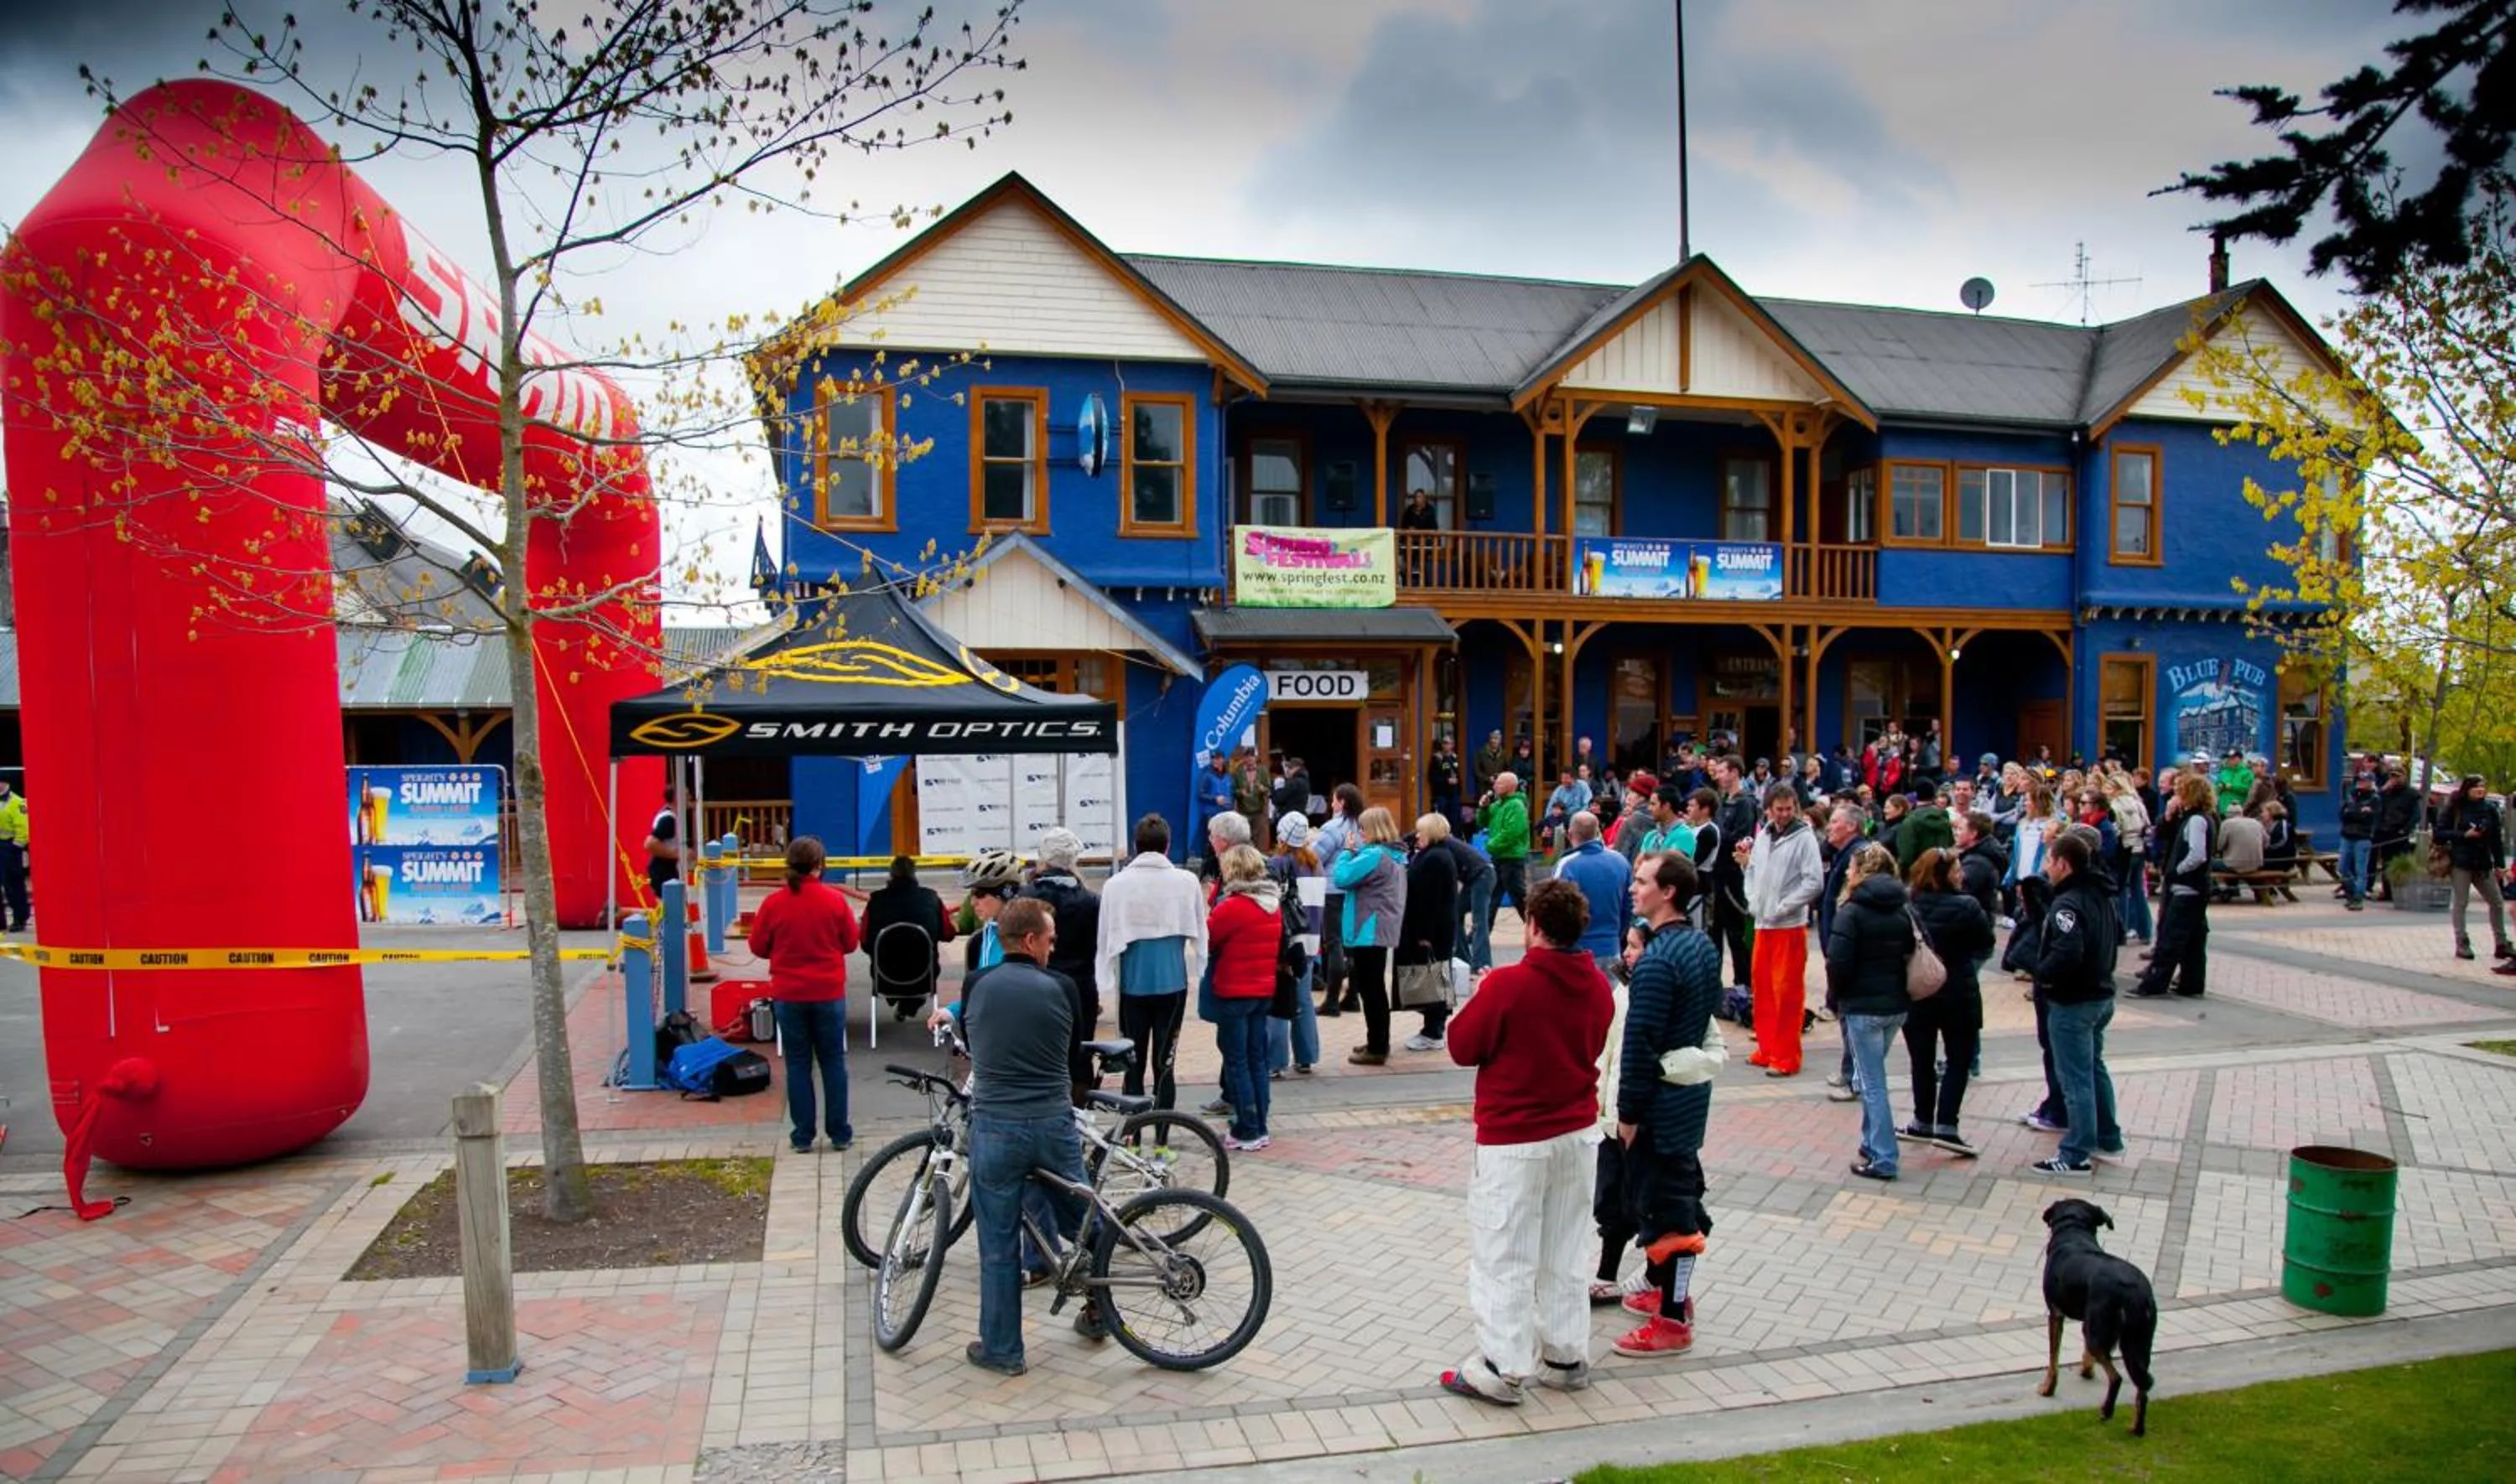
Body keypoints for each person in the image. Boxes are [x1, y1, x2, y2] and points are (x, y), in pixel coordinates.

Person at [1437, 878, 1617, 1405]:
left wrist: (1477, 997)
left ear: (1534, 925)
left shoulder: (1510, 985)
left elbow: (1462, 1045)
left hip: (1515, 1138)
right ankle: (1565, 1353)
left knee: (1504, 1254)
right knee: (1564, 1248)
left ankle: (1502, 1364)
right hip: (1577, 1133)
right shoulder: (1597, 986)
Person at [949, 897, 1100, 1377]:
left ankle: (1002, 1350)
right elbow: (1075, 1053)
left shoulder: (976, 984)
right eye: (1050, 940)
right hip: (1053, 1124)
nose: (1053, 949)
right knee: (1083, 1218)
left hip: (994, 1127)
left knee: (997, 1243)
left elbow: (972, 1046)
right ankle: (1101, 1307)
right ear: (1031, 940)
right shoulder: (1063, 987)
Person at [1611, 850, 1723, 1357]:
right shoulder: (1699, 946)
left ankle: (1673, 1318)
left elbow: (1640, 1046)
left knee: (1669, 1210)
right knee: (1674, 1195)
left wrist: (1629, 1114)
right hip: (1688, 1096)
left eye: (1642, 881)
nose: (1634, 888)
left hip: (1659, 1105)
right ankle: (1663, 1292)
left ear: (1669, 891)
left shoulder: (1658, 962)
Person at [747, 837, 862, 1154]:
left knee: (798, 1064)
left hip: (789, 993)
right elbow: (851, 943)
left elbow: (757, 946)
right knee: (833, 1062)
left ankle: (802, 1135)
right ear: (820, 865)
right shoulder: (835, 900)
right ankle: (839, 1132)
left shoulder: (773, 903)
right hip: (827, 992)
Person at [1094, 814, 1208, 1109]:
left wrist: (1103, 979)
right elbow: (1201, 930)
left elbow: (1104, 937)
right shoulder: (1186, 882)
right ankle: (1162, 1142)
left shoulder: (1116, 885)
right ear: (1168, 847)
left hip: (1133, 986)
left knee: (1133, 1064)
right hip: (1173, 985)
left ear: (1135, 845)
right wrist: (1203, 967)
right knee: (1165, 1065)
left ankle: (1132, 1139)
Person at [2029, 831, 2124, 1176]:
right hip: (2100, 993)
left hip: (2075, 1000)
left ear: (2063, 865)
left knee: (2076, 1077)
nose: (2046, 867)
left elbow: (2068, 950)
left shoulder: (2067, 904)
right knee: (2094, 1068)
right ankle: (2107, 1135)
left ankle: (2076, 1152)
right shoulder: (2101, 893)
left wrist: (2045, 975)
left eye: (2049, 861)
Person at [1824, 844, 1911, 1180]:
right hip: (1896, 1003)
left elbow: (1839, 962)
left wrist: (1837, 999)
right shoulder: (1903, 906)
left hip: (1863, 1006)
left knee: (1872, 1083)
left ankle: (1884, 1157)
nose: (1847, 873)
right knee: (1870, 1074)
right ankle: (1871, 1142)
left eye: (1850, 868)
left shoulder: (1853, 910)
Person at [1902, 848, 1994, 1158]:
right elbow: (1986, 943)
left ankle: (1922, 1119)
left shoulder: (1909, 903)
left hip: (1919, 991)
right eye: (1956, 870)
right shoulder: (1968, 906)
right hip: (1959, 989)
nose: (1962, 875)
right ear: (1943, 874)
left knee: (1922, 1059)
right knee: (1958, 1060)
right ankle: (1947, 1125)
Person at [1740, 781, 1824, 1078]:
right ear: (1769, 809)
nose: (1784, 814)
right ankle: (1766, 1048)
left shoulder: (1805, 838)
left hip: (1788, 926)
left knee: (1787, 993)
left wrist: (1784, 906)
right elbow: (1752, 870)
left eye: (1789, 809)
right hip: (1763, 922)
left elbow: (1814, 881)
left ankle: (1786, 1055)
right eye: (1779, 809)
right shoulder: (1763, 835)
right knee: (1762, 989)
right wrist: (1752, 899)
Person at [1204, 845, 1283, 1151]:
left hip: (1234, 991)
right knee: (1257, 1061)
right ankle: (1260, 1123)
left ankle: (1247, 1127)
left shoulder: (1233, 906)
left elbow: (1209, 938)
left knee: (1237, 1062)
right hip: (1263, 990)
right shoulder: (1271, 903)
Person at [1018, 829, 1103, 1094]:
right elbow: (1096, 947)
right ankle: (1078, 1119)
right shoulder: (1091, 900)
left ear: (1043, 859)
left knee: (1036, 1055)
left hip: (1034, 986)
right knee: (1079, 1057)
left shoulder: (1025, 898)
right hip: (1079, 988)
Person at [1333, 807, 1410, 1066]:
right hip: (1378, 928)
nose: (1360, 833)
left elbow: (1342, 877)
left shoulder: (1376, 855)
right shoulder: (1393, 854)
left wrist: (1346, 852)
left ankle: (1378, 1046)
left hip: (1369, 929)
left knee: (1372, 989)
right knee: (1373, 987)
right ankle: (1377, 1040)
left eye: (1363, 828)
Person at [2134, 773, 2218, 999]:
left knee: (2171, 937)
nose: (2176, 796)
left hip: (2186, 888)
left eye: (2180, 792)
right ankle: (2191, 983)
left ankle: (2154, 984)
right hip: (2191, 887)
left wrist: (2176, 871)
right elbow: (2163, 834)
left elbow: (2197, 855)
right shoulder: (2191, 818)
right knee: (2192, 939)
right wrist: (2169, 815)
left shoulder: (2197, 820)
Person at [1813, 803, 1867, 1103]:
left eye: (1835, 822)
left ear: (1851, 827)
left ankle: (1854, 1077)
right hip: (1838, 944)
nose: (1829, 827)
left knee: (1852, 1016)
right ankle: (1849, 1072)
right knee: (1846, 1014)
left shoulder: (1858, 856)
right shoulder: (1841, 854)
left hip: (1848, 948)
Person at [860, 854, 954, 1020]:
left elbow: (865, 942)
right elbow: (948, 934)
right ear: (914, 873)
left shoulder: (876, 901)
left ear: (891, 874)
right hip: (925, 975)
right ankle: (909, 1004)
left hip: (884, 976)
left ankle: (902, 1001)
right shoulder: (931, 898)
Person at [1396, 813, 1462, 1051]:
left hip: (1433, 932)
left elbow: (1430, 901)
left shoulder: (1435, 858)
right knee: (1433, 975)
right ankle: (1432, 1028)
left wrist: (1424, 934)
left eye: (1421, 831)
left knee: (1433, 975)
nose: (1417, 836)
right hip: (1434, 929)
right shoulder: (1433, 855)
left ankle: (1434, 1031)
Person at [1266, 813, 1326, 1078]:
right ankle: (1306, 1056)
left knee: (1280, 997)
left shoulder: (1279, 863)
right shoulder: (1315, 863)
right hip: (1312, 939)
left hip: (1288, 939)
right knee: (1303, 998)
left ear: (1282, 836)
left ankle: (1275, 1061)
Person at [1552, 811, 1634, 979]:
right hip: (1612, 949)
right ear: (1598, 832)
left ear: (1570, 834)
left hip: (1578, 951)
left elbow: (1556, 910)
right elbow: (1629, 907)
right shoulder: (1620, 861)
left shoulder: (1567, 865)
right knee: (1606, 1002)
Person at [2441, 775, 2511, 962]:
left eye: (2483, 787)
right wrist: (2464, 834)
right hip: (2461, 861)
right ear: (2467, 789)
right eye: (2476, 787)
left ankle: (2501, 943)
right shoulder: (2455, 807)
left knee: (2496, 901)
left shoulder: (2490, 809)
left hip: (2483, 862)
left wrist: (2500, 865)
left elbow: (2496, 840)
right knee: (2461, 903)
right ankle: (2462, 942)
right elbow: (2440, 833)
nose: (2480, 790)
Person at [1708, 755, 1759, 995]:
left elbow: (1742, 838)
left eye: (1721, 771)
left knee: (1736, 933)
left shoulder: (1745, 803)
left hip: (1733, 877)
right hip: (1716, 875)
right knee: (1715, 931)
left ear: (1735, 772)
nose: (1717, 775)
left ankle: (1744, 984)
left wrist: (1716, 833)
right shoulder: (1722, 801)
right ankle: (1714, 985)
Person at [1431, 809, 1496, 975]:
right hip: (1474, 877)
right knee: (1456, 914)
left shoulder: (1446, 845)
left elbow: (1450, 876)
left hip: (1482, 876)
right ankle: (1462, 956)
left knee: (1479, 921)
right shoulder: (1446, 843)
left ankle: (1482, 963)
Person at [1477, 771, 1532, 952]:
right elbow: (1482, 822)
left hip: (1512, 858)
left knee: (1519, 897)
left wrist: (1490, 846)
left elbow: (1512, 832)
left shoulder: (1516, 805)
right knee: (1492, 897)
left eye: (1499, 784)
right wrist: (1483, 807)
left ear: (1510, 787)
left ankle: (1536, 929)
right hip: (1500, 857)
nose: (1495, 786)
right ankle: (1481, 932)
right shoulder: (1497, 805)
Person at [2372, 769, 2421, 899]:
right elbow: (2375, 804)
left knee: (2399, 862)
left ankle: (2399, 891)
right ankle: (2387, 891)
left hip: (2400, 833)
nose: (2395, 779)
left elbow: (2416, 815)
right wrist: (2383, 790)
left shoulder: (2412, 794)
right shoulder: (2386, 792)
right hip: (2384, 831)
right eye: (2392, 776)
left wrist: (2405, 829)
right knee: (2386, 863)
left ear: (2404, 777)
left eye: (2398, 776)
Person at [1955, 808, 2006, 922]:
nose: (1956, 833)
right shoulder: (1978, 855)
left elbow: (1960, 891)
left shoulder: (1977, 863)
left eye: (1960, 829)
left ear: (1973, 834)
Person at [2337, 773, 2378, 911]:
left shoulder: (2375, 798)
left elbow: (2371, 817)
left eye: (2364, 781)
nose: (2361, 783)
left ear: (2371, 782)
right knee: (2342, 867)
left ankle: (2358, 897)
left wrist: (2356, 813)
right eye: (2359, 780)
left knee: (2361, 869)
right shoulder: (2351, 796)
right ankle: (2351, 890)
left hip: (2363, 837)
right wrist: (2359, 812)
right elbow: (2343, 814)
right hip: (2347, 835)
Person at [0, 776, 29, 934]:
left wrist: (16, 847)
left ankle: (20, 918)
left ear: (6, 783)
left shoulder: (17, 802)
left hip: (9, 848)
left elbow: (23, 827)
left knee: (13, 886)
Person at [643, 788, 681, 897]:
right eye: (686, 794)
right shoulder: (669, 819)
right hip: (662, 870)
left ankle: (622, 911)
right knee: (669, 908)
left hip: (667, 868)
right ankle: (622, 912)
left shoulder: (668, 814)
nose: (690, 797)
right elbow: (649, 844)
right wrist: (678, 854)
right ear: (675, 798)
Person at [1194, 752, 1235, 851]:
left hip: (1226, 814)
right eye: (1213, 759)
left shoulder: (1229, 776)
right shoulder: (1207, 775)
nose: (1215, 761)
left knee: (1226, 841)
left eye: (1217, 758)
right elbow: (1200, 794)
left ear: (1223, 760)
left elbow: (1233, 794)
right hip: (1212, 814)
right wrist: (1214, 799)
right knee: (1212, 842)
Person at [1232, 749, 1271, 849]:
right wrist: (1240, 792)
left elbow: (1269, 788)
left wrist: (1263, 789)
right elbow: (1232, 791)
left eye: (1252, 756)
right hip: (1243, 811)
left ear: (1255, 758)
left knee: (1258, 838)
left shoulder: (1263, 770)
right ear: (1244, 758)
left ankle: (1258, 859)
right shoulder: (1238, 772)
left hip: (1259, 810)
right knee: (1244, 837)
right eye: (1247, 756)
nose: (1249, 758)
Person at [1428, 734, 1464, 826]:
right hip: (1442, 794)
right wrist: (1446, 781)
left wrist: (1459, 788)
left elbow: (1459, 775)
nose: (1446, 745)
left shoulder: (1454, 758)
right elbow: (1432, 777)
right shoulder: (1437, 759)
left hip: (1454, 794)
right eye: (1444, 743)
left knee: (1454, 819)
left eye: (1448, 743)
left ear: (1452, 745)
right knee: (1442, 820)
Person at [2212, 751, 2255, 817]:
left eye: (2233, 758)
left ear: (2240, 759)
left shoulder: (2247, 773)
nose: (2230, 760)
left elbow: (2247, 789)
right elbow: (2216, 789)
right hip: (2223, 810)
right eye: (2229, 758)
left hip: (2238, 810)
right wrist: (2219, 787)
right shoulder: (2224, 772)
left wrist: (2232, 786)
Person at [1474, 730, 1511, 799]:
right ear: (1489, 740)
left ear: (1500, 741)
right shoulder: (1481, 754)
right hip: (1484, 789)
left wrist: (1501, 777)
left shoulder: (1504, 754)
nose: (1494, 741)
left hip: (1499, 788)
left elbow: (1508, 770)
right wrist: (1488, 779)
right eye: (1492, 738)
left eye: (1496, 739)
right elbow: (1477, 771)